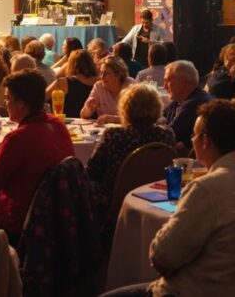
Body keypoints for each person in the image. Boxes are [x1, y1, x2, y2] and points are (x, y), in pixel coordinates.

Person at [101, 99, 235, 297]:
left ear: (205, 141)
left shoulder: (207, 188)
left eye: (194, 135)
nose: (192, 140)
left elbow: (163, 256)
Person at [0, 69, 74, 243]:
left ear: (21, 104)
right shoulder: (58, 125)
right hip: (52, 217)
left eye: (8, 98)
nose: (5, 103)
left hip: (16, 221)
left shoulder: (18, 138)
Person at [86, 84, 176, 219]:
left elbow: (91, 172)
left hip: (114, 201)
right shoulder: (166, 135)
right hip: (156, 200)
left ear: (125, 108)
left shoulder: (114, 135)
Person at [163, 60, 212, 150]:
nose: (164, 86)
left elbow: (166, 135)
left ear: (182, 82)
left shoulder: (195, 104)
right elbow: (161, 116)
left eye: (167, 81)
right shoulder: (180, 100)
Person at [45, 50, 99, 118]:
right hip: (94, 124)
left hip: (67, 123)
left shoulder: (64, 82)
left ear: (70, 64)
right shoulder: (100, 83)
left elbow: (43, 96)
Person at [82, 56, 133, 124]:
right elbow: (83, 115)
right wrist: (88, 107)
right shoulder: (99, 86)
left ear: (118, 75)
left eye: (106, 73)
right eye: (101, 73)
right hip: (104, 131)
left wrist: (114, 119)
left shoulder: (131, 86)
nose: (102, 77)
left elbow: (136, 118)